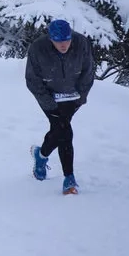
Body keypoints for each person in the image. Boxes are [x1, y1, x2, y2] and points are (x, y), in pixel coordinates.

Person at [26, 19, 95, 194]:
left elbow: (88, 72)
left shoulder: (81, 44)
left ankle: (41, 155)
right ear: (50, 39)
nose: (63, 45)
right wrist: (49, 104)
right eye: (58, 41)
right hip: (50, 97)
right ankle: (69, 179)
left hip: (73, 97)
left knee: (60, 131)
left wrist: (80, 97)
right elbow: (32, 80)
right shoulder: (38, 48)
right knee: (65, 131)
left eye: (66, 40)